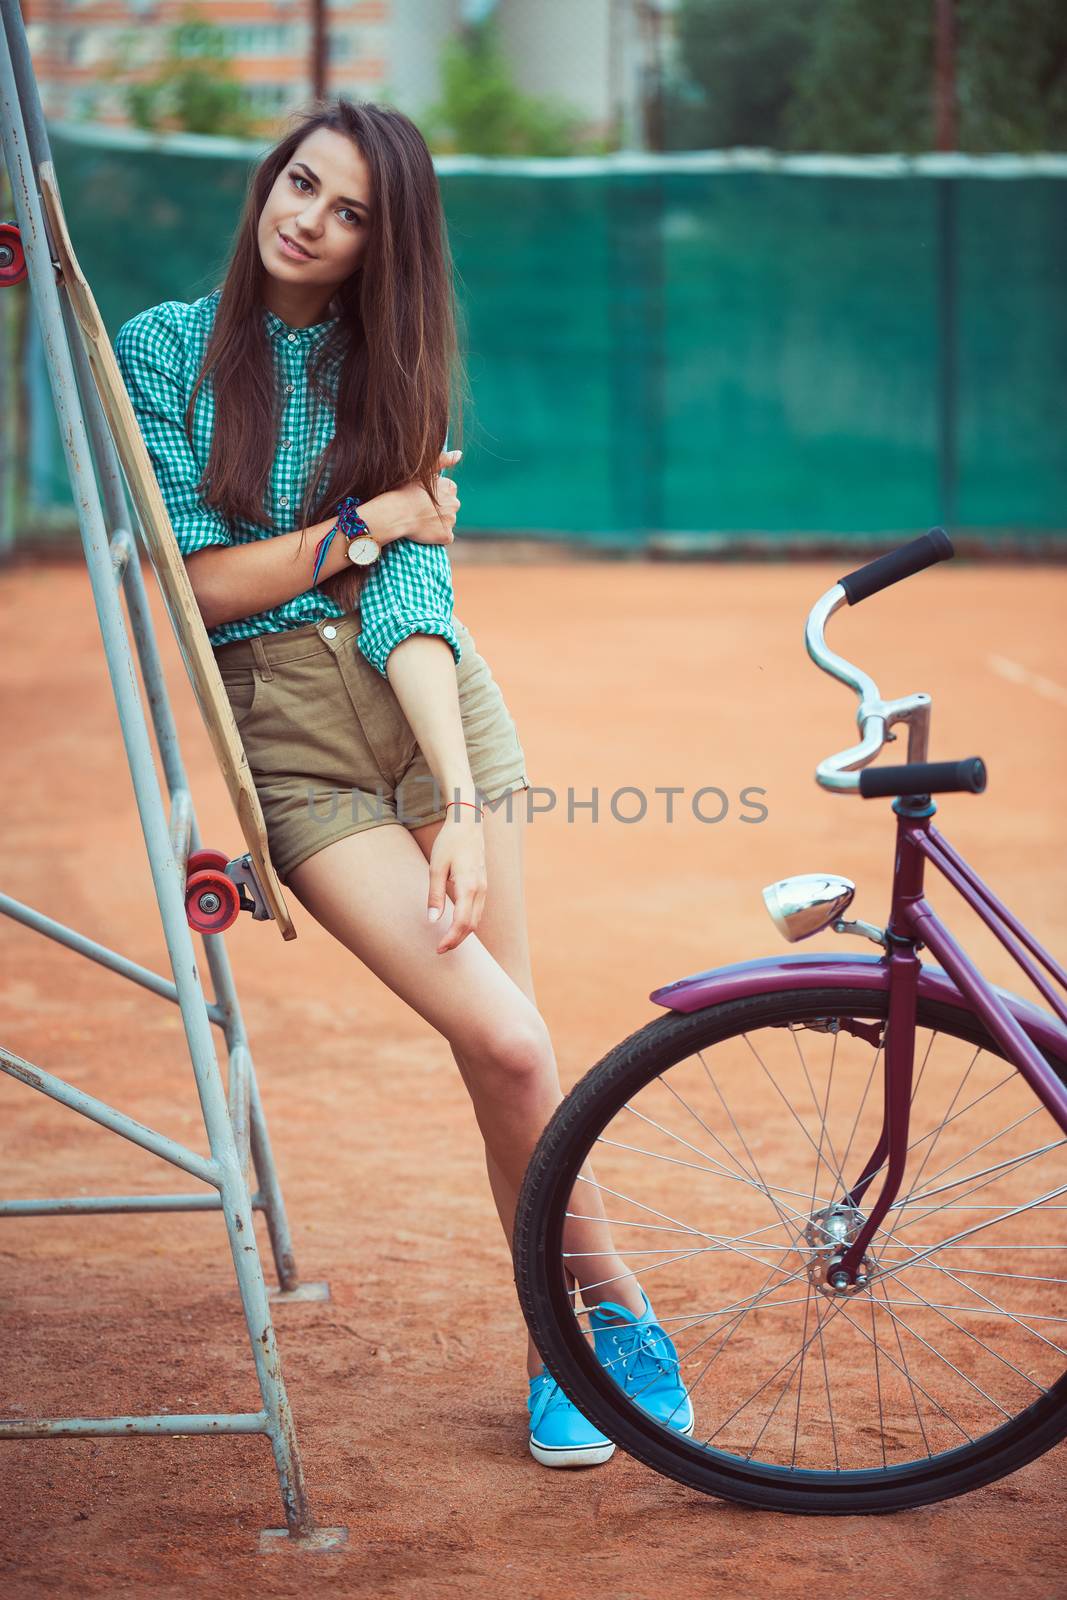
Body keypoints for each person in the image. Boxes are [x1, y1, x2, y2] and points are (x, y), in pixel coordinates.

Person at [114, 96, 692, 1469]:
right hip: (298, 756)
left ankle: (568, 1345)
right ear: (271, 178)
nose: (306, 219)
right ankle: (613, 1319)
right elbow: (197, 586)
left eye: (348, 211)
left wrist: (466, 805)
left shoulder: (397, 365)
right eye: (300, 184)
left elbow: (411, 599)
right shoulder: (163, 348)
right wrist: (369, 520)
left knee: (512, 1057)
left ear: (384, 243)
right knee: (508, 1045)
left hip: (440, 722)